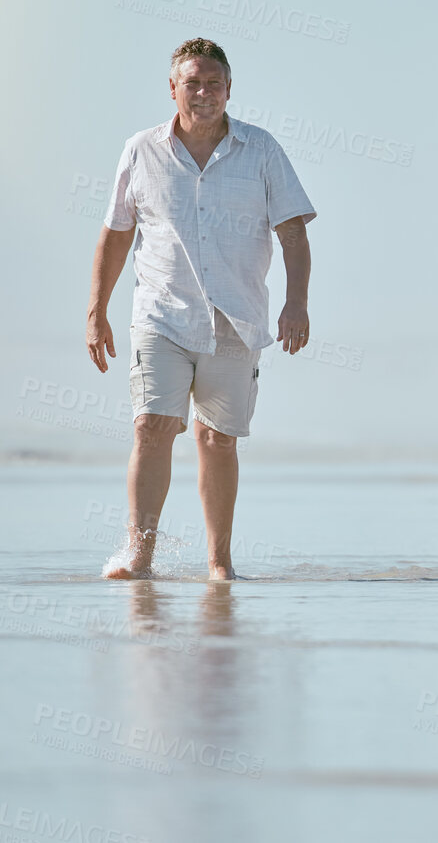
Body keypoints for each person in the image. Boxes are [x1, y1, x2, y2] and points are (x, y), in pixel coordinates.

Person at [86, 38, 316, 581]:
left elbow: (293, 235)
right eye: (193, 83)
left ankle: (219, 562)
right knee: (151, 426)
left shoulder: (261, 150)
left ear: (230, 89)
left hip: (236, 318)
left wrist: (297, 302)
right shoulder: (141, 150)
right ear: (173, 89)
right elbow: (117, 235)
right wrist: (97, 310)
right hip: (161, 315)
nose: (204, 93)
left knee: (217, 439)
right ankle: (139, 553)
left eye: (214, 83)